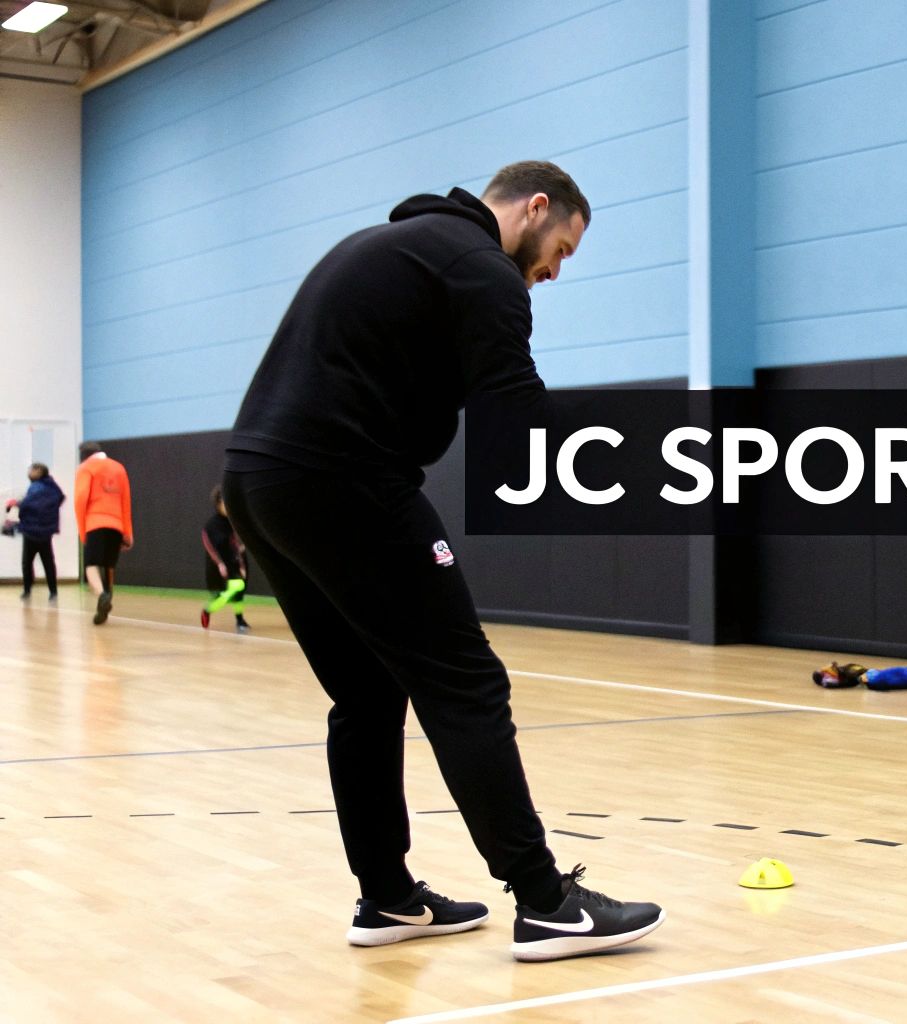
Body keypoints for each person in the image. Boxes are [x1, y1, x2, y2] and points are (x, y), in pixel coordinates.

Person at [223, 160, 663, 961]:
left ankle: (387, 898)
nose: (553, 272)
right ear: (534, 208)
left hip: (261, 480)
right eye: (560, 249)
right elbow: (517, 422)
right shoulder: (483, 272)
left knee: (364, 691)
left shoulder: (399, 244)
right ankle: (547, 901)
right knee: (465, 680)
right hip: (343, 479)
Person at [74, 442, 132, 625]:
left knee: (91, 566)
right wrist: (127, 532)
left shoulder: (85, 468)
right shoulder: (119, 467)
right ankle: (106, 604)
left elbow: (80, 499)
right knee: (109, 567)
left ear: (83, 455)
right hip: (116, 524)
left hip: (94, 522)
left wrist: (83, 531)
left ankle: (101, 596)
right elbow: (126, 501)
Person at [9, 463, 64, 601]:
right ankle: (53, 591)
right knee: (48, 562)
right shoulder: (53, 486)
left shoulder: (36, 488)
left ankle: (27, 590)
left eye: (31, 470)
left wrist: (17, 504)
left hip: (32, 530)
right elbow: (60, 498)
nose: (29, 472)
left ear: (39, 471)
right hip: (46, 531)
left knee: (27, 562)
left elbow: (29, 504)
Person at [200, 484, 250, 633]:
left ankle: (240, 620)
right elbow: (210, 546)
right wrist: (220, 564)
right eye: (225, 503)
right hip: (220, 564)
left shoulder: (233, 522)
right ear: (218, 503)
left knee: (239, 590)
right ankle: (208, 610)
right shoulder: (211, 525)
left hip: (235, 562)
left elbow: (237, 544)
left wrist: (241, 563)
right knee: (235, 588)